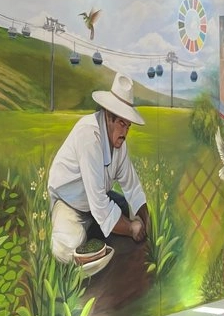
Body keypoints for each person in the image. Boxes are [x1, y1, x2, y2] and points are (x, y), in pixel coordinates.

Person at [48, 73, 149, 274]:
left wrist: (144, 223)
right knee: (67, 246)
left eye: (128, 125)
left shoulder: (119, 144)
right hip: (70, 203)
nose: (125, 131)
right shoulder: (89, 135)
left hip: (95, 202)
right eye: (122, 123)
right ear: (108, 116)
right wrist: (131, 228)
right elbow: (100, 205)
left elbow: (133, 188)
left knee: (122, 208)